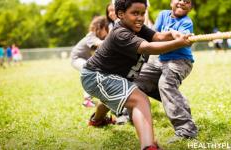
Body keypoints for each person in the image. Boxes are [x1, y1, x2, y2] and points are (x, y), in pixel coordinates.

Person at [80, 0, 192, 149]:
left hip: (111, 76)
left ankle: (97, 120)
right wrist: (178, 43)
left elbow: (157, 37)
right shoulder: (120, 33)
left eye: (142, 13)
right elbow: (148, 47)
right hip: (95, 76)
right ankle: (149, 146)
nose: (140, 18)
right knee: (140, 99)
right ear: (121, 14)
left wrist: (172, 33)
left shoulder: (138, 27)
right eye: (135, 13)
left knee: (112, 97)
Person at [134, 0, 198, 144]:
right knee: (136, 80)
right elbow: (154, 36)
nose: (182, 2)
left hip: (181, 61)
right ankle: (177, 100)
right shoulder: (163, 15)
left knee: (165, 84)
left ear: (190, 7)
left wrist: (180, 39)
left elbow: (174, 44)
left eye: (187, 1)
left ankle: (187, 130)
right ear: (171, 2)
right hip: (160, 60)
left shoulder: (187, 23)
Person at [71, 16, 109, 107]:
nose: (107, 30)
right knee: (88, 71)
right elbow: (99, 44)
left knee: (96, 73)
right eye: (106, 28)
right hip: (76, 58)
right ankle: (87, 100)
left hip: (85, 59)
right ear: (100, 27)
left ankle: (93, 97)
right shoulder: (91, 35)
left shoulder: (99, 36)